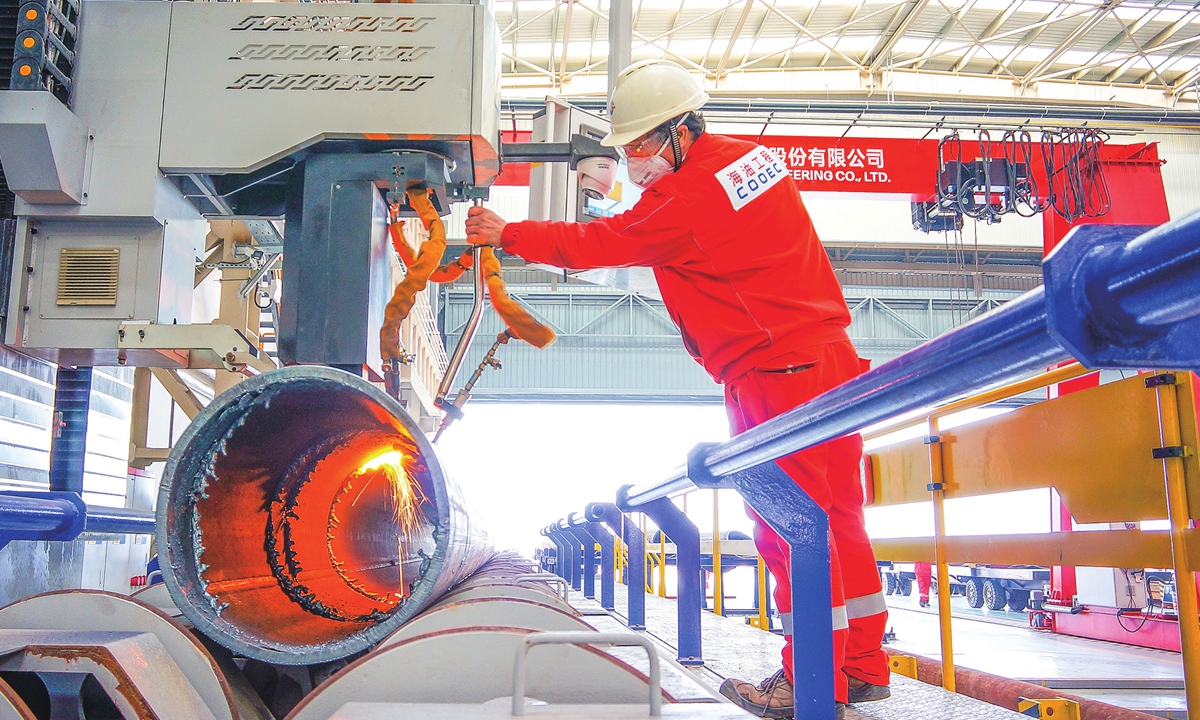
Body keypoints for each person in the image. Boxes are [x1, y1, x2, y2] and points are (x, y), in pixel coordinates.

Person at [465, 59, 890, 718]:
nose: (632, 160)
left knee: (788, 529)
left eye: (640, 145)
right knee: (838, 521)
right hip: (826, 360)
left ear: (682, 130)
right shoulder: (750, 160)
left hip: (772, 373)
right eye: (624, 149)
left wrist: (507, 233)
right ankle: (861, 666)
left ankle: (811, 685)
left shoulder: (686, 199)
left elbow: (602, 243)